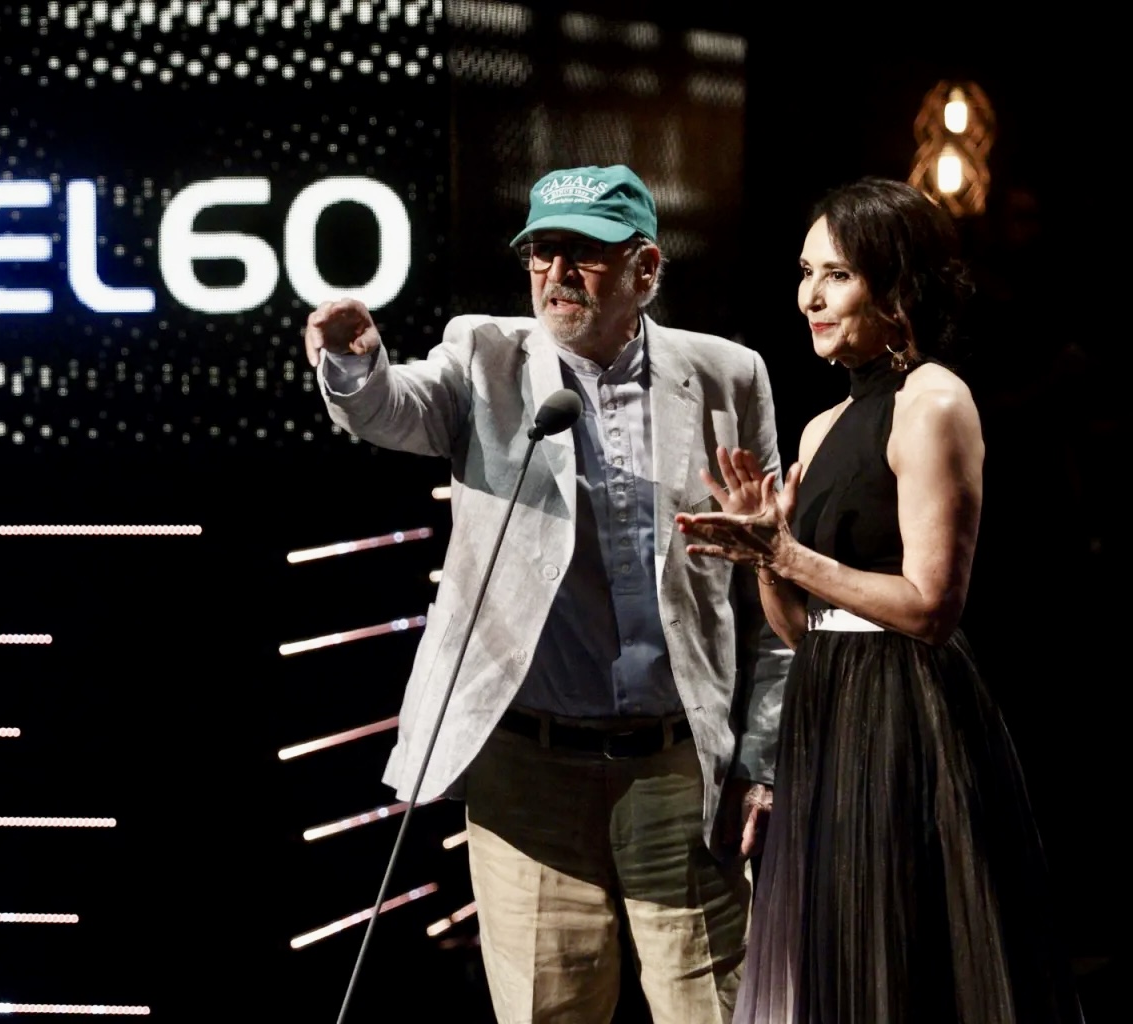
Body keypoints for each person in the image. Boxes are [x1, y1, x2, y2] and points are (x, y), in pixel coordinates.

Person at [305, 164, 792, 1023]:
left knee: (716, 1009)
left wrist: (763, 763)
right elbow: (392, 407)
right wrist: (353, 365)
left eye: (583, 254)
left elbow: (769, 593)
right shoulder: (484, 357)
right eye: (540, 252)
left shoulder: (729, 376)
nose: (556, 274)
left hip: (679, 769)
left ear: (646, 268)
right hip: (528, 773)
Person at [676, 177, 1084, 1023]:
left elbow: (931, 606)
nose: (810, 298)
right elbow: (802, 630)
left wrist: (787, 552)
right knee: (836, 970)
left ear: (896, 286)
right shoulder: (821, 428)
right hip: (826, 712)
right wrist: (765, 557)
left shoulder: (934, 400)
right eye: (805, 273)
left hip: (904, 714)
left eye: (838, 275)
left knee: (902, 964)